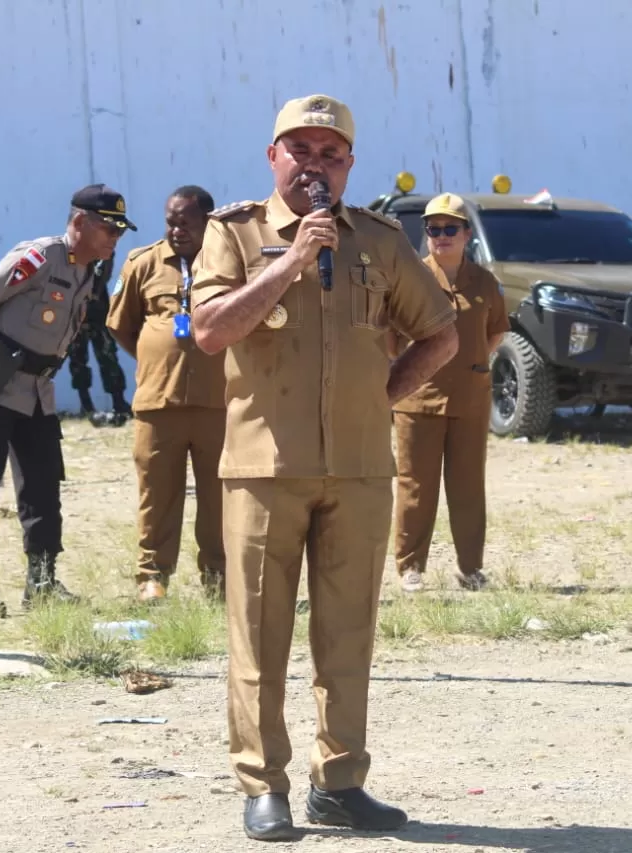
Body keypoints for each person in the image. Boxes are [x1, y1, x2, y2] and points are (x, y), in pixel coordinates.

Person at [190, 93, 459, 841]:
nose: (315, 165)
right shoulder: (234, 234)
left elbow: (440, 334)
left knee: (347, 637)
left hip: (360, 472)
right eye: (300, 151)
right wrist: (296, 259)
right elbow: (210, 330)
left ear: (349, 165)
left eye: (330, 154)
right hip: (264, 470)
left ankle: (340, 783)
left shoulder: (377, 239)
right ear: (273, 156)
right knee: (259, 637)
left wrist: (381, 396)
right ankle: (262, 785)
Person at [0, 184, 135, 614]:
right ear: (79, 223)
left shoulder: (89, 274)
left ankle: (41, 583)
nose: (115, 239)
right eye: (108, 229)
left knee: (42, 487)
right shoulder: (39, 257)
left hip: (38, 391)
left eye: (119, 231)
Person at [105, 185, 228, 602]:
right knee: (157, 494)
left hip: (219, 403)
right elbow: (122, 326)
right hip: (159, 403)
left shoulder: (229, 262)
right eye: (170, 221)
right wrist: (159, 355)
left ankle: (219, 575)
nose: (176, 230)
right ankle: (152, 577)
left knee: (221, 497)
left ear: (208, 222)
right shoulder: (143, 263)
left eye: (185, 222)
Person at [387, 193, 510, 594]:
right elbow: (389, 337)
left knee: (468, 485)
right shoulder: (412, 277)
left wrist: (471, 363)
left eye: (450, 229)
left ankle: (471, 568)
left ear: (467, 233)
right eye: (433, 229)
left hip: (470, 400)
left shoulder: (484, 282)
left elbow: (496, 331)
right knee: (415, 485)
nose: (441, 236)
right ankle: (410, 567)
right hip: (418, 399)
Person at [68, 252, 133, 423]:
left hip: (98, 312)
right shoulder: (72, 254)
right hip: (77, 313)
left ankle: (118, 401)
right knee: (78, 360)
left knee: (108, 357)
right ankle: (86, 404)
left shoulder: (102, 251)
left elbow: (104, 272)